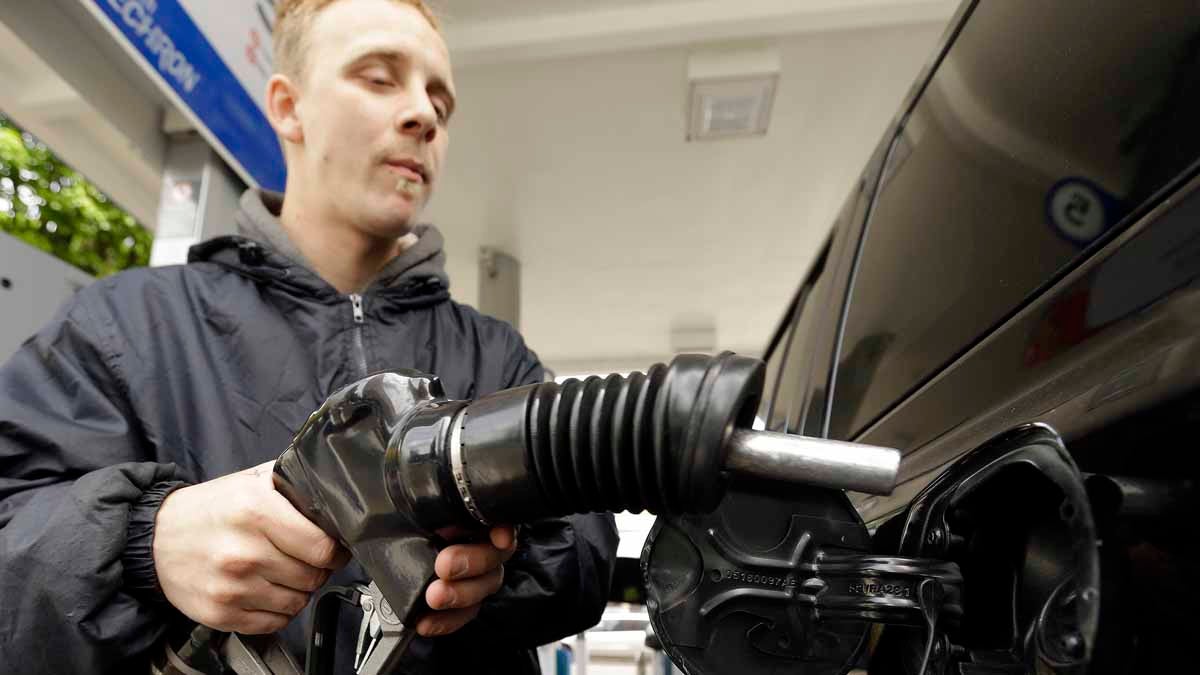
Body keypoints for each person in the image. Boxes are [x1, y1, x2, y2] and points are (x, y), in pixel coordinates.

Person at [0, 0, 618, 672]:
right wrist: (144, 542)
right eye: (380, 78)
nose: (424, 115)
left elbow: (585, 543)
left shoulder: (496, 357)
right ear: (288, 107)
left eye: (440, 98)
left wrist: (506, 566)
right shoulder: (123, 325)